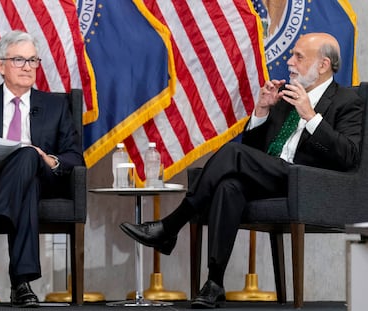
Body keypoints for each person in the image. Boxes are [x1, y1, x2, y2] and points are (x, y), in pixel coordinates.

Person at [120, 32, 363, 308]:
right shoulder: (285, 97)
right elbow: (254, 152)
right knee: (229, 185)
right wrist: (261, 111)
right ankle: (214, 282)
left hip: (308, 182)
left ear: (323, 65)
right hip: (273, 176)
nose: (290, 61)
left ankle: (171, 225)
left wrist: (311, 116)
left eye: (298, 56)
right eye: (291, 54)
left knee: (233, 153)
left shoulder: (347, 101)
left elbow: (349, 157)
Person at [0, 30, 84, 307]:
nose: (28, 67)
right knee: (28, 184)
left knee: (27, 155)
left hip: (44, 175)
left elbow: (75, 156)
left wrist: (49, 159)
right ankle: (21, 285)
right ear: (0, 65)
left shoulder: (55, 105)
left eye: (33, 60)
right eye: (19, 60)